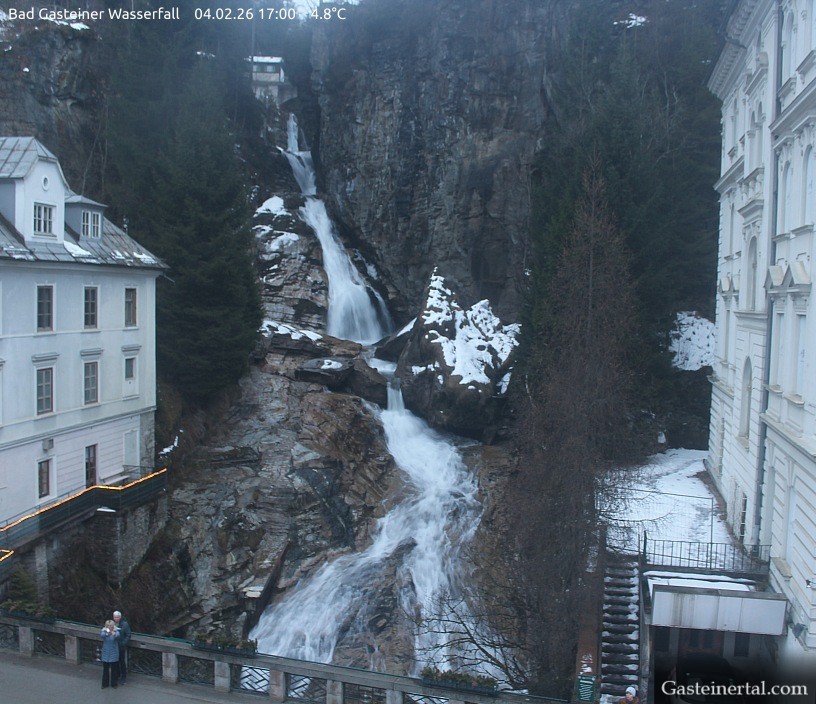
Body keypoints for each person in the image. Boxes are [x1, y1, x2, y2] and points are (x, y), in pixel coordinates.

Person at [113, 610, 131, 685]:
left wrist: (123, 643)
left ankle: (123, 676)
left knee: (121, 662)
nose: (116, 618)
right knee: (115, 661)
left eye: (117, 617)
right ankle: (117, 675)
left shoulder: (124, 624)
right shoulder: (112, 623)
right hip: (114, 645)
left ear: (120, 617)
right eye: (114, 617)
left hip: (121, 646)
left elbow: (128, 635)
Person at [99, 619, 119, 689]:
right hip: (106, 653)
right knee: (105, 669)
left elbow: (118, 635)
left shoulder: (116, 630)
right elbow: (102, 635)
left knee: (114, 670)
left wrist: (114, 634)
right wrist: (108, 633)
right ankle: (105, 684)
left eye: (111, 625)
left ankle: (114, 684)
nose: (110, 627)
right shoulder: (104, 630)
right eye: (108, 625)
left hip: (113, 653)